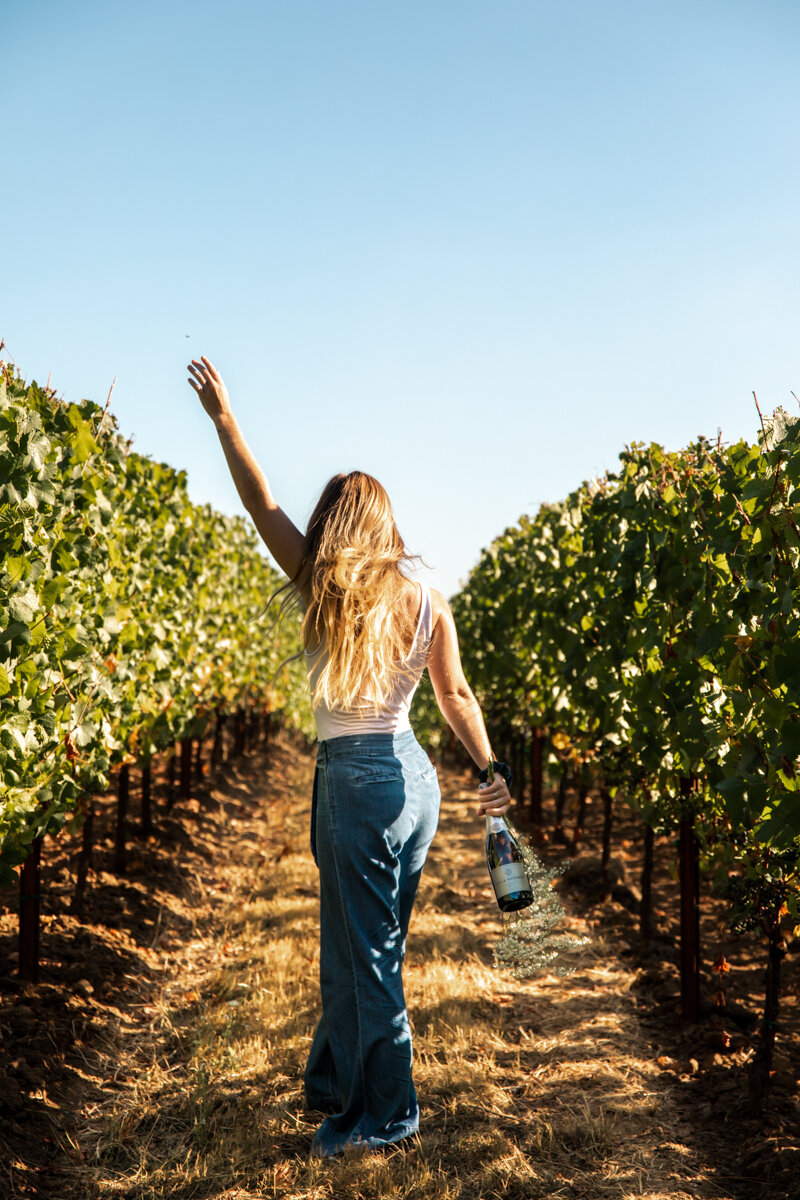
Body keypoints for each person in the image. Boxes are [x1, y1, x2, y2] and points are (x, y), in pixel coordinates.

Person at [188, 356, 513, 1156]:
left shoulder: (326, 587)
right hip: (416, 783)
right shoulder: (426, 601)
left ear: (338, 524)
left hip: (357, 784)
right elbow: (457, 697)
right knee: (367, 947)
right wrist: (489, 771)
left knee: (367, 959)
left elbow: (259, 501)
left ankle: (389, 1118)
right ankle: (336, 1088)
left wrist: (226, 422)